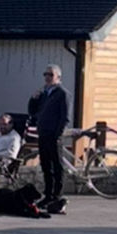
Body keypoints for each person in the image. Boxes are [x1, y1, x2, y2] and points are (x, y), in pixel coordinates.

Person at [28, 64, 70, 208]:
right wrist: (33, 99)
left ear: (58, 77)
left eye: (50, 75)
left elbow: (65, 117)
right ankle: (48, 195)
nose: (47, 77)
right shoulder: (44, 93)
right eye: (45, 74)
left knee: (57, 166)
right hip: (43, 133)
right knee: (46, 166)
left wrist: (58, 135)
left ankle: (57, 196)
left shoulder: (62, 94)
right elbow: (33, 112)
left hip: (54, 135)